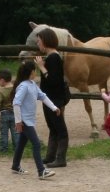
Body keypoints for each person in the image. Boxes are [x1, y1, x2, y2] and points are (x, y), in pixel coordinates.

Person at [10, 60, 60, 180]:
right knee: (36, 144)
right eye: (35, 70)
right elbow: (16, 103)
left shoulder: (32, 84)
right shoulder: (23, 86)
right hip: (25, 121)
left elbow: (42, 96)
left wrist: (54, 107)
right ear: (31, 72)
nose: (36, 72)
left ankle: (15, 166)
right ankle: (41, 171)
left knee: (22, 143)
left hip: (28, 120)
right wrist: (18, 121)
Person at [34, 27, 70, 167]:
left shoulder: (54, 57)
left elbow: (54, 81)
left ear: (45, 41)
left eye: (39, 41)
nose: (38, 44)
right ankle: (50, 156)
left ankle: (61, 158)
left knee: (60, 128)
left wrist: (42, 68)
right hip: (49, 98)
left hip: (55, 98)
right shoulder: (51, 57)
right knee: (53, 127)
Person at [0, 69, 18, 153]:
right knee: (15, 133)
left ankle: (3, 150)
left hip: (4, 113)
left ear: (2, 80)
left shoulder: (0, 90)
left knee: (4, 133)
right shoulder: (15, 88)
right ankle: (17, 149)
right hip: (15, 113)